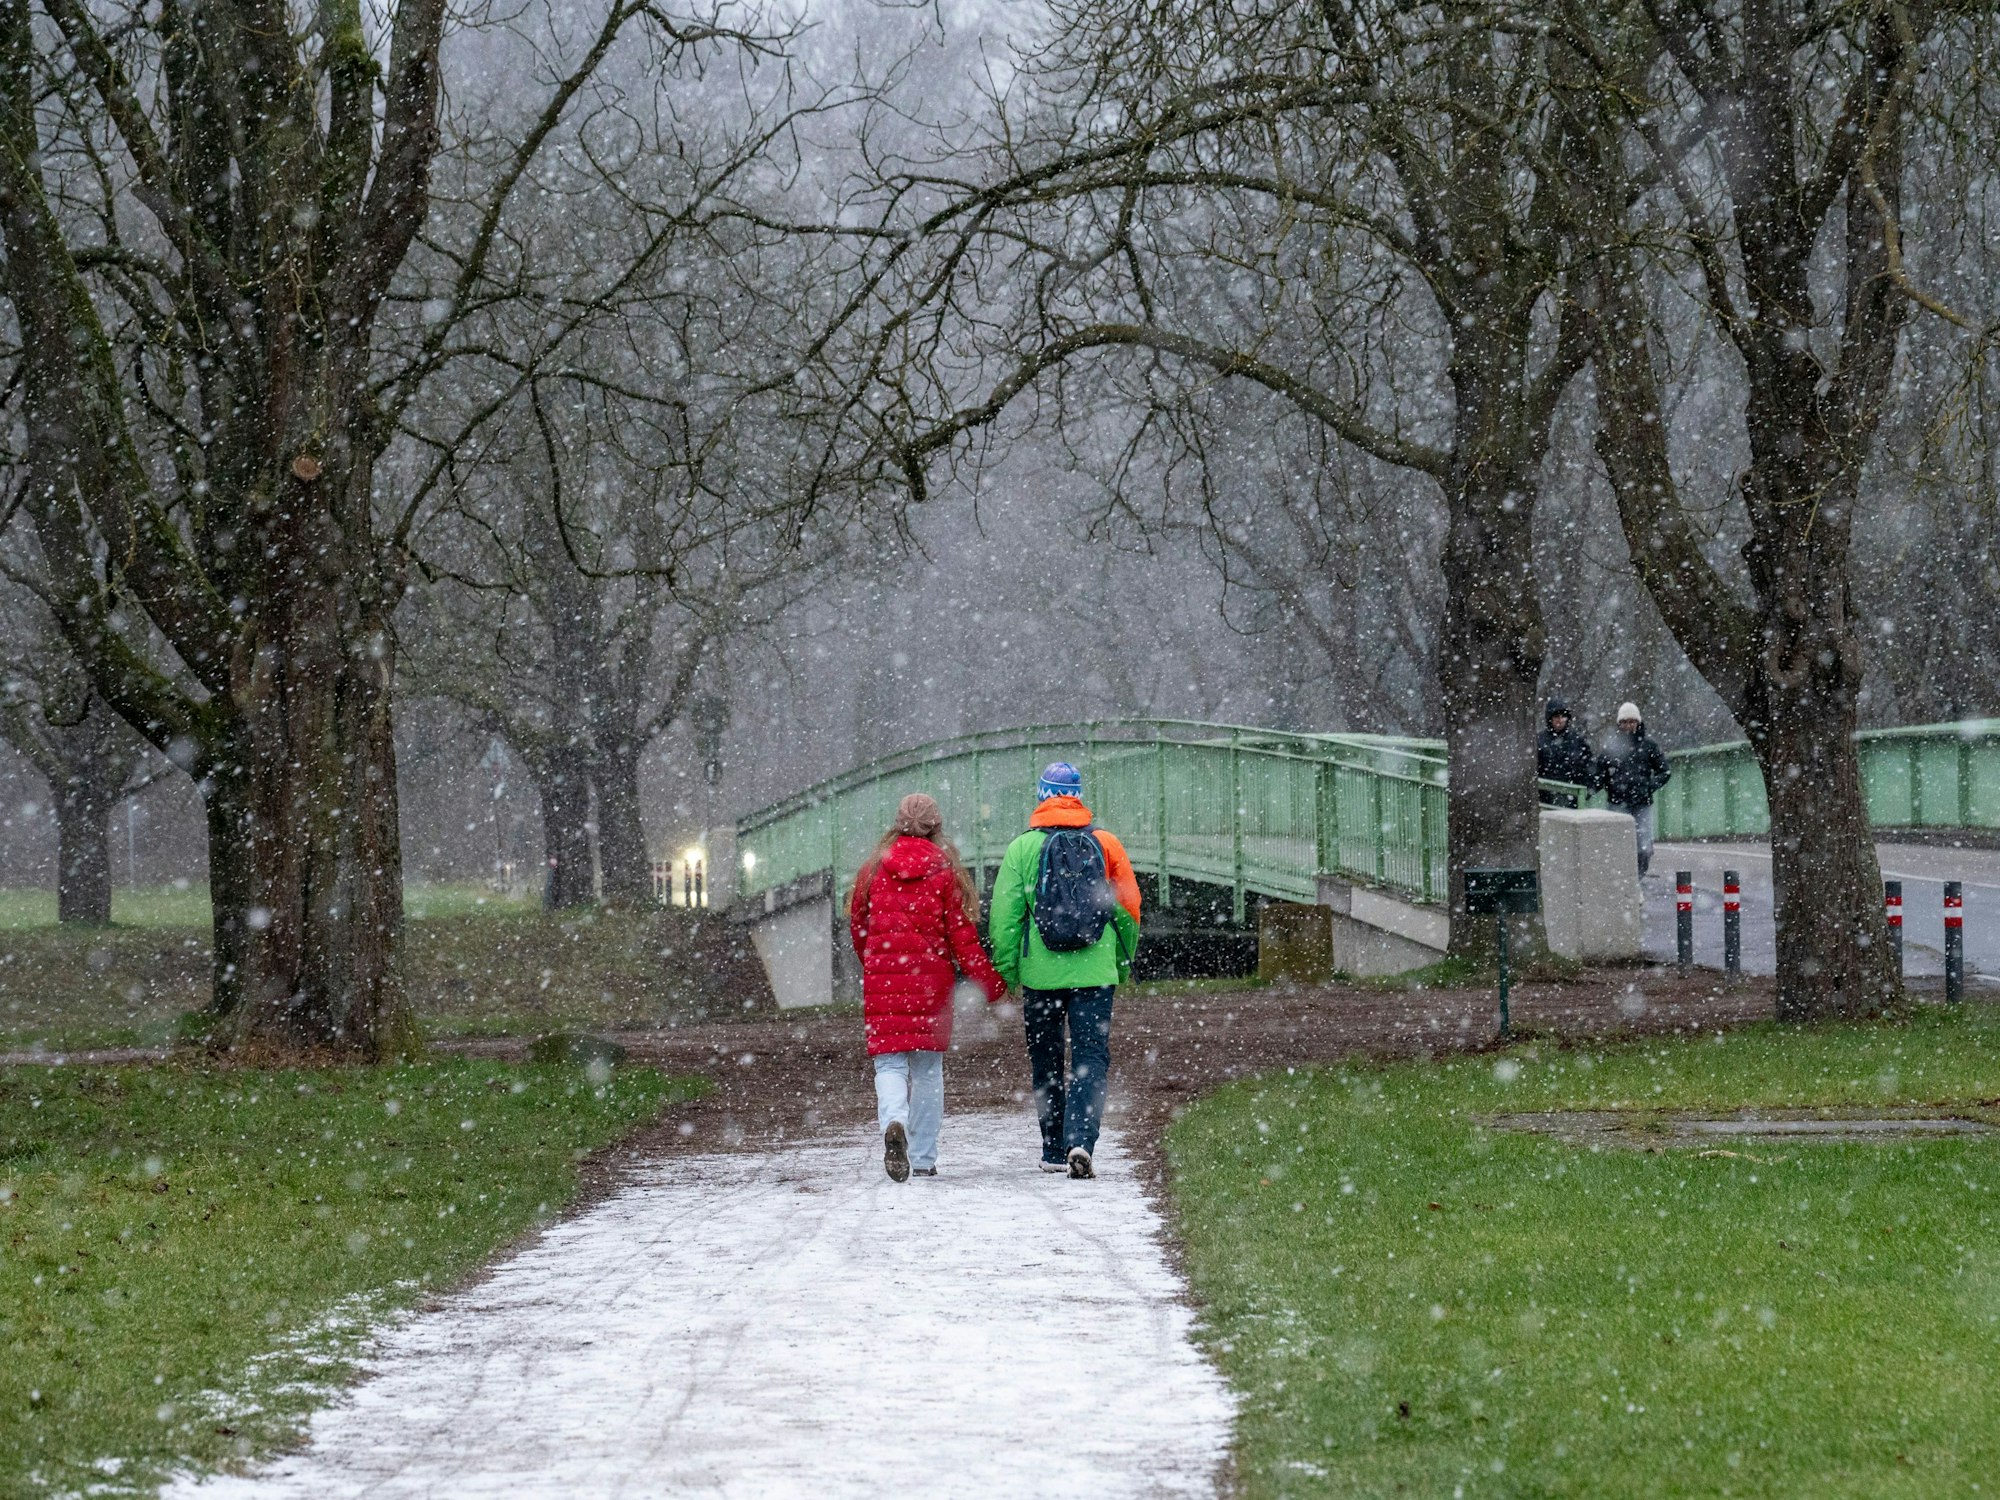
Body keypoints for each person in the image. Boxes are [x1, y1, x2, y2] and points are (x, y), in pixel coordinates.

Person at [988, 762, 1141, 1179]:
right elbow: (1129, 909)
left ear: (1041, 796)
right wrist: (1120, 964)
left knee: (1046, 1059)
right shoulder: (1106, 843)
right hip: (1095, 972)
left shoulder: (1022, 848)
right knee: (1090, 1058)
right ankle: (1081, 1141)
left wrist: (1007, 972)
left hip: (1041, 975)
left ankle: (1054, 1148)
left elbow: (1004, 919)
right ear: (1078, 795)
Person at [849, 793, 1006, 1182]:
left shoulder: (872, 870)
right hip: (931, 986)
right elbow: (962, 938)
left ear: (896, 824)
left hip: (883, 978)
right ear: (937, 828)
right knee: (928, 1070)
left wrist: (874, 963)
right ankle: (921, 1158)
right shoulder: (944, 872)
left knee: (888, 1063)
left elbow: (859, 929)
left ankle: (894, 1121)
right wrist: (992, 984)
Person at [1596, 701, 1672, 876]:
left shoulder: (1649, 746)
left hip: (1642, 802)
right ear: (1619, 724)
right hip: (1617, 802)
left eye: (1632, 721)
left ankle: (1637, 877)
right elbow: (1599, 774)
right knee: (1617, 846)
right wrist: (1592, 788)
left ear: (1638, 722)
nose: (1629, 726)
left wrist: (1649, 786)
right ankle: (1623, 878)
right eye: (1625, 722)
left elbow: (1665, 771)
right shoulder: (1611, 749)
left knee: (1644, 847)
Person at [1536, 697, 1596, 805]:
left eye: (1563, 716)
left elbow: (1589, 767)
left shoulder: (1577, 740)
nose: (1560, 720)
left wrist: (1586, 791)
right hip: (1545, 798)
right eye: (1556, 717)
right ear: (1550, 718)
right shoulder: (1540, 741)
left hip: (1572, 799)